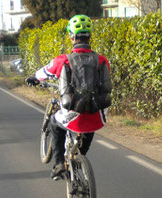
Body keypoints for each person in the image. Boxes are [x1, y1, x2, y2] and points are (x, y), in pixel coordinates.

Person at [26, 14, 111, 180]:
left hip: (73, 115)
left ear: (71, 36)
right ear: (90, 36)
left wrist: (34, 78)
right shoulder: (102, 60)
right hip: (97, 117)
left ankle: (58, 164)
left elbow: (44, 73)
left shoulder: (62, 60)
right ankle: (80, 157)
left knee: (55, 124)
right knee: (88, 129)